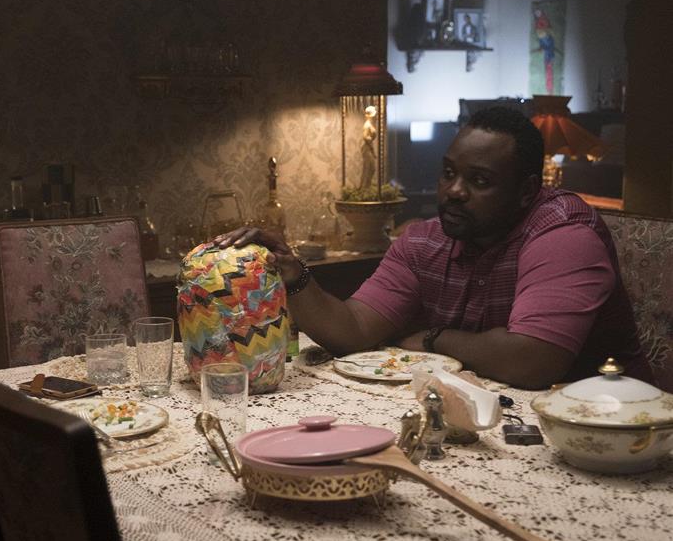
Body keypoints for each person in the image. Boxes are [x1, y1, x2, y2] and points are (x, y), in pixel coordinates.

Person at [216, 107, 651, 390]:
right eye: (448, 173)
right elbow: (353, 330)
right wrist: (295, 275)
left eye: (479, 181)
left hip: (611, 432)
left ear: (526, 192)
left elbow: (533, 361)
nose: (454, 191)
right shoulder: (425, 240)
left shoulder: (563, 234)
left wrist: (431, 339)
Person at [359, 106, 378, 191]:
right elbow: (365, 137)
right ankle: (363, 188)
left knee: (372, 168)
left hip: (369, 147)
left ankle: (367, 186)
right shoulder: (367, 125)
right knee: (367, 168)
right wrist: (371, 145)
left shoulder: (370, 124)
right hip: (366, 148)